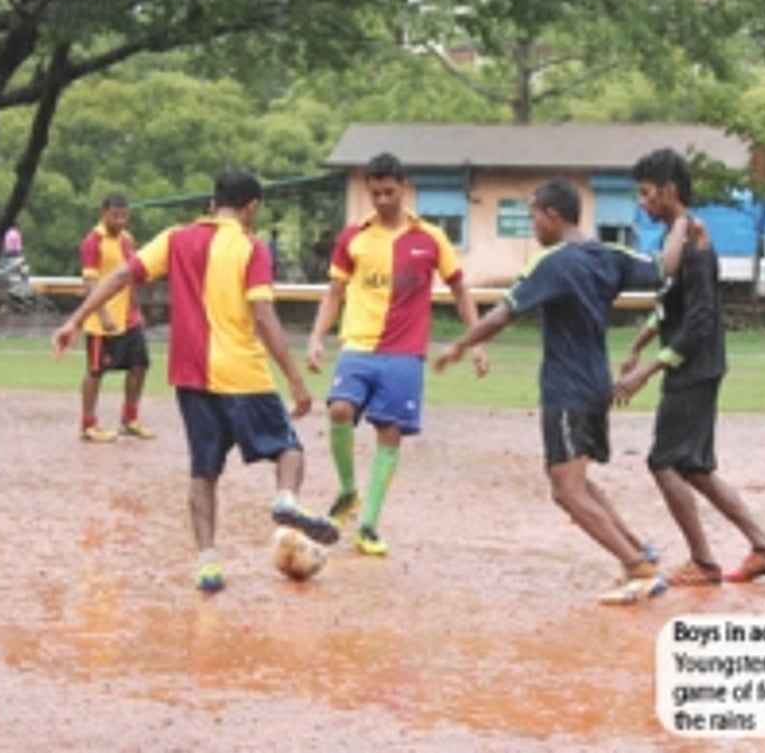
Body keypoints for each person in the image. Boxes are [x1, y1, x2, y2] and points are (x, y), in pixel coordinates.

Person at [53, 169, 337, 592]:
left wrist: (75, 320)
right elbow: (263, 316)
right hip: (243, 373)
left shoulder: (174, 238)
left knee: (203, 471)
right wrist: (295, 380)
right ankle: (285, 498)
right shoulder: (251, 247)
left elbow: (119, 277)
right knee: (288, 448)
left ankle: (207, 562)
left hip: (190, 376)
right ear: (252, 208)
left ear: (212, 203)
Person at [433, 177, 686, 605]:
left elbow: (503, 314)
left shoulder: (552, 262)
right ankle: (637, 550)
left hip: (566, 388)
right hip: (596, 384)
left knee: (566, 491)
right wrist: (680, 222)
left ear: (552, 215)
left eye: (534, 216)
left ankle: (638, 569)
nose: (532, 225)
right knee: (578, 482)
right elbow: (665, 267)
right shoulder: (609, 254)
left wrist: (461, 345)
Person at [614, 148, 765, 586]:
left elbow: (699, 321)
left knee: (664, 462)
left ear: (669, 191)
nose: (642, 202)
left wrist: (647, 370)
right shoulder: (677, 237)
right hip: (693, 366)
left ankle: (703, 561)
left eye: (646, 193)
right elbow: (669, 307)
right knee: (693, 467)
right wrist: (637, 346)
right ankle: (764, 547)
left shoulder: (695, 242)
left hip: (695, 368)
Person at [306, 152, 487, 556]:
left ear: (404, 187)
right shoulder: (353, 237)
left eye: (389, 192)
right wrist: (317, 337)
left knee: (389, 433)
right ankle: (348, 492)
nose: (383, 200)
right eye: (375, 193)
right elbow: (334, 292)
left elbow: (460, 289)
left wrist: (476, 340)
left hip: (405, 353)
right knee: (339, 409)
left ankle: (368, 524)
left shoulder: (431, 238)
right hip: (357, 345)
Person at [77, 193, 155, 442]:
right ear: (104, 213)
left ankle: (129, 419)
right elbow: (90, 282)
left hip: (128, 318)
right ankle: (88, 424)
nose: (120, 220)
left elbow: (130, 277)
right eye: (115, 215)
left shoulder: (127, 239)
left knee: (140, 365)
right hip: (101, 322)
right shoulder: (93, 242)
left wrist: (137, 310)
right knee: (95, 370)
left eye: (124, 215)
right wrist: (102, 313)